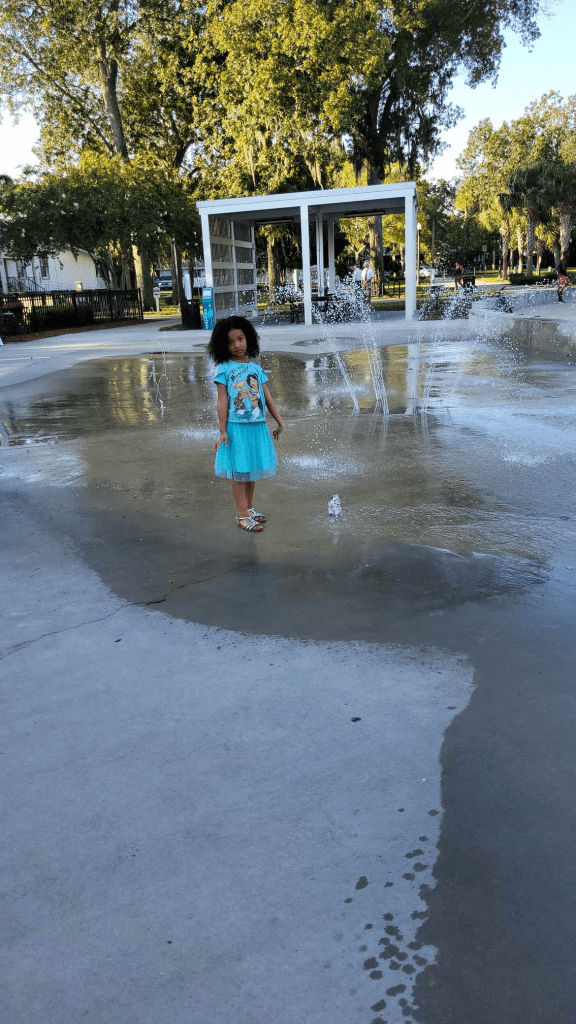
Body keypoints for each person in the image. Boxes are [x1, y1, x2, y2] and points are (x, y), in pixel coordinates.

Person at [208, 315, 285, 532]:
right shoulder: (224, 368)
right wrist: (222, 430)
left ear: (248, 338)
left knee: (251, 471)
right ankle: (242, 515)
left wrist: (279, 420)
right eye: (230, 342)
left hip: (257, 426)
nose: (237, 345)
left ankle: (248, 508)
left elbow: (267, 397)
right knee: (239, 473)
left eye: (240, 339)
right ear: (222, 346)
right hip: (236, 428)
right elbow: (222, 400)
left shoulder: (256, 368)